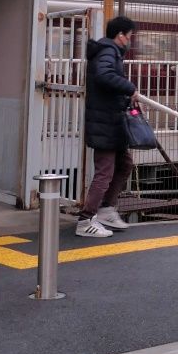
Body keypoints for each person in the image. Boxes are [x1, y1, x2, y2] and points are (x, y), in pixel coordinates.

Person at [76, 16, 139, 238]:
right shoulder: (107, 51)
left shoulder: (109, 51)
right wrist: (130, 88)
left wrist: (125, 99)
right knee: (105, 171)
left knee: (124, 165)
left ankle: (105, 209)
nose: (130, 41)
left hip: (111, 121)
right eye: (130, 36)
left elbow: (107, 85)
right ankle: (85, 220)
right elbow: (104, 76)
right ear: (120, 35)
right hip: (105, 122)